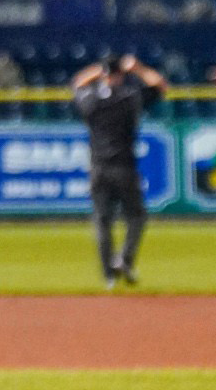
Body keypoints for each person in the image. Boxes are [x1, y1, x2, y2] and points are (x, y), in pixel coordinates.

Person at [71, 53, 167, 288]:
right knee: (136, 216)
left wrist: (100, 69)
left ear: (104, 75)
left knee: (102, 221)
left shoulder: (91, 98)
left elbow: (77, 83)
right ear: (121, 76)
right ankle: (124, 259)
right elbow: (160, 86)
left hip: (98, 168)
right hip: (124, 167)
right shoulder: (129, 96)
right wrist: (137, 68)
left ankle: (108, 277)